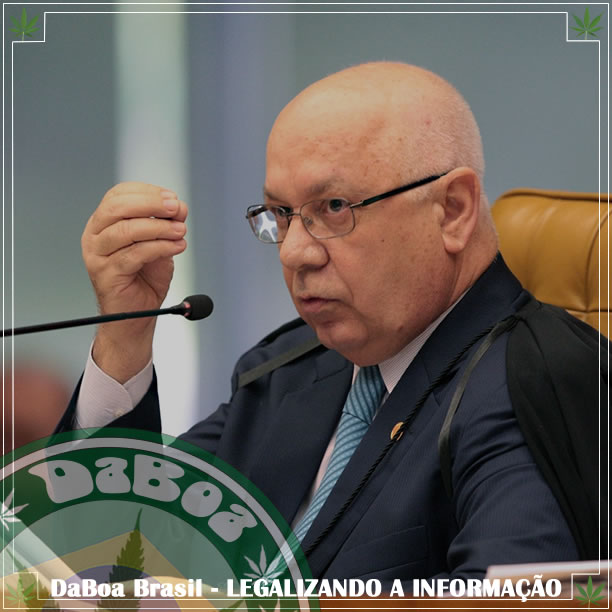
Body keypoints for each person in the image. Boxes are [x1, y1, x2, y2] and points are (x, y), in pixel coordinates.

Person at [57, 62, 597, 581]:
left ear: (452, 210)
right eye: (280, 214)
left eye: (334, 206)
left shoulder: (538, 385)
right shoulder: (285, 373)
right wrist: (125, 334)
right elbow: (108, 554)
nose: (294, 252)